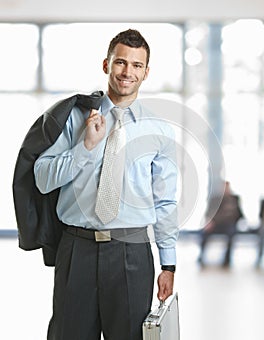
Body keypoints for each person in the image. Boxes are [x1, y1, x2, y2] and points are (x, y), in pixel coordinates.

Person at [32, 29, 178, 340]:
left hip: (133, 252)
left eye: (137, 66)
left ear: (146, 72)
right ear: (106, 65)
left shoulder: (158, 130)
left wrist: (169, 263)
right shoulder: (72, 118)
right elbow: (42, 179)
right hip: (76, 249)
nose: (128, 72)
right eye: (121, 62)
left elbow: (165, 202)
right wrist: (84, 148)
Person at [198, 181, 244, 267]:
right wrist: (210, 222)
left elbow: (239, 214)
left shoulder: (234, 199)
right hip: (216, 224)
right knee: (204, 233)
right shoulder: (215, 199)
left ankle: (227, 259)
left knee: (232, 233)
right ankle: (201, 257)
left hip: (229, 224)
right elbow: (209, 213)